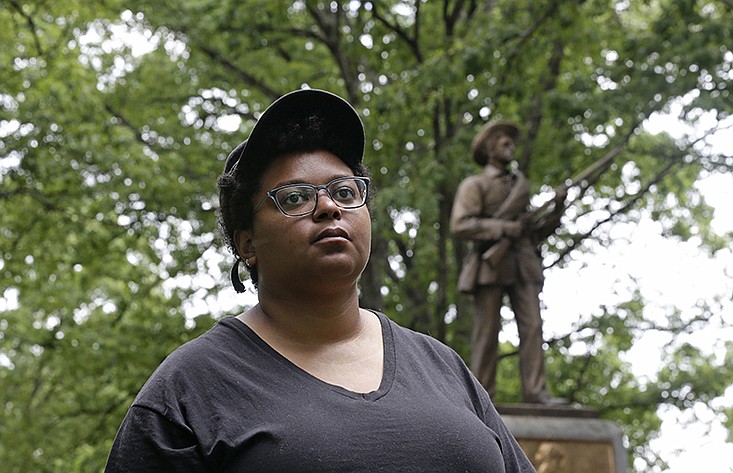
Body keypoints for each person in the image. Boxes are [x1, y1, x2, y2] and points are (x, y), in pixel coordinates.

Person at [105, 89, 536, 472]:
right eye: (295, 197)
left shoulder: (443, 368)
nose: (329, 207)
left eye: (345, 192)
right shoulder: (187, 392)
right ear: (247, 244)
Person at [450, 121, 566, 405]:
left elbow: (534, 233)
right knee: (487, 333)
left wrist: (557, 209)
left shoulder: (520, 186)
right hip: (491, 266)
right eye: (504, 143)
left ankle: (537, 393)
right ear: (490, 149)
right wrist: (502, 228)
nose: (510, 147)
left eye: (512, 143)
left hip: (523, 264)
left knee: (533, 327)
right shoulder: (475, 185)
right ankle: (482, 399)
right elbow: (461, 224)